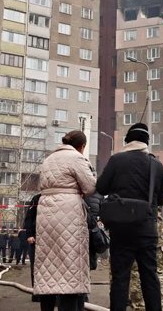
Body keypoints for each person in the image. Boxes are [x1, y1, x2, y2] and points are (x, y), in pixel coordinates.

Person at [96, 123, 163, 311]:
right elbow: (162, 198)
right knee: (150, 277)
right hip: (147, 229)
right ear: (146, 142)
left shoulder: (116, 160)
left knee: (120, 278)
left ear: (128, 140)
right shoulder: (156, 165)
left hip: (121, 230)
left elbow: (101, 188)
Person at [34, 130, 96, 311]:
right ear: (82, 146)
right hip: (68, 211)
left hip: (45, 212)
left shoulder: (48, 159)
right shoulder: (76, 158)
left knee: (47, 265)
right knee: (69, 265)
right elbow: (90, 187)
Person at [129, 189, 163, 311]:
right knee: (159, 273)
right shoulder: (153, 178)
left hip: (132, 233)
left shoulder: (124, 177)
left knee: (136, 273)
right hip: (154, 234)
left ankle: (140, 307)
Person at [23, 194, 40, 298]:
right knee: (35, 266)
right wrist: (29, 235)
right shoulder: (37, 199)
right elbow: (29, 218)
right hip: (36, 238)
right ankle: (36, 292)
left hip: (53, 238)